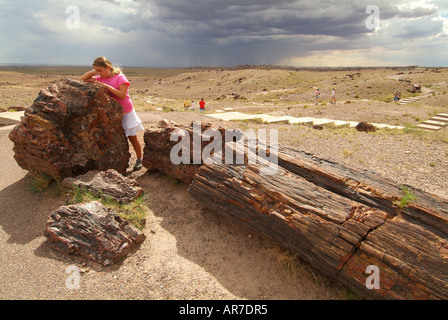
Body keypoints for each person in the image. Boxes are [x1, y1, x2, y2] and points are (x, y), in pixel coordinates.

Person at [81, 57, 144, 171]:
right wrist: (95, 71)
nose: (98, 73)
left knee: (131, 137)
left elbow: (122, 95)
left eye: (100, 70)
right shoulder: (100, 78)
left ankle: (139, 159)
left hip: (126, 112)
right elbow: (84, 78)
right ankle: (125, 160)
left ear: (108, 68)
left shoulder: (120, 78)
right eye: (97, 71)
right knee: (118, 138)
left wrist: (106, 86)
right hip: (113, 113)